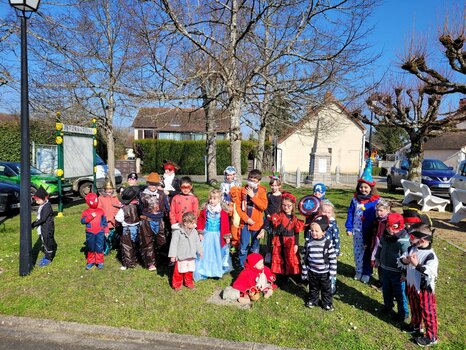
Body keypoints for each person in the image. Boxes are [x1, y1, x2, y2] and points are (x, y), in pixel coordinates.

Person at [399, 223, 439, 347]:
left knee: (428, 311)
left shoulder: (431, 256)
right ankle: (415, 325)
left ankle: (431, 336)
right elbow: (402, 259)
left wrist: (416, 264)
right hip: (411, 285)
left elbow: (429, 272)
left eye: (412, 237)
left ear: (421, 240)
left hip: (424, 289)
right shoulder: (412, 249)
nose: (410, 239)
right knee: (414, 306)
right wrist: (406, 260)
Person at [345, 159, 380, 283]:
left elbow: (381, 215)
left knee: (368, 252)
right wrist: (349, 227)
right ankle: (358, 270)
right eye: (361, 187)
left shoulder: (376, 201)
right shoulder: (355, 200)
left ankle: (367, 272)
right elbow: (350, 213)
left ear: (371, 188)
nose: (363, 190)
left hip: (370, 231)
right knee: (357, 251)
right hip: (357, 231)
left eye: (366, 187)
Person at [375, 212, 410, 323]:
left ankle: (403, 313)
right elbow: (380, 247)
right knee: (386, 290)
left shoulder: (404, 241)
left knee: (400, 293)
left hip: (398, 273)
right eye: (388, 227)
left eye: (394, 228)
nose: (390, 230)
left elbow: (408, 259)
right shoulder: (385, 236)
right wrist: (377, 258)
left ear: (401, 227)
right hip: (385, 269)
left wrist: (405, 274)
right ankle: (388, 306)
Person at [265, 192, 304, 285]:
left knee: (291, 258)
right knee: (280, 257)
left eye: (289, 206)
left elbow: (296, 232)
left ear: (293, 205)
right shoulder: (278, 216)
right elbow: (276, 229)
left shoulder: (295, 218)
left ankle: (292, 274)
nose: (286, 207)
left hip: (290, 241)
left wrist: (296, 244)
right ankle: (281, 276)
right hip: (280, 241)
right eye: (284, 205)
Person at [194, 189, 232, 281]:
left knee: (217, 253)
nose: (212, 201)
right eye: (210, 198)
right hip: (207, 234)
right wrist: (200, 233)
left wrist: (226, 236)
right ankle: (205, 270)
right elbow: (200, 221)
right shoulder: (205, 210)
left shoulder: (222, 212)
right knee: (206, 253)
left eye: (214, 199)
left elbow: (226, 225)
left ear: (219, 200)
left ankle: (216, 270)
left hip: (218, 236)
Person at [301, 215, 337, 311]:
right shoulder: (309, 243)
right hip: (312, 271)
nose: (314, 233)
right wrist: (304, 271)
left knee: (326, 289)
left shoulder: (327, 243)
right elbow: (305, 258)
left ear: (324, 232)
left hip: (324, 272)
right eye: (312, 230)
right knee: (313, 288)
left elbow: (333, 258)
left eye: (317, 231)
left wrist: (332, 272)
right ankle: (313, 300)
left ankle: (327, 303)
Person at [234, 169, 268, 269]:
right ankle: (242, 266)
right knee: (243, 247)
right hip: (245, 224)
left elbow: (263, 206)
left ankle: (254, 266)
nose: (251, 182)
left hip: (257, 224)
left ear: (259, 182)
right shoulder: (242, 190)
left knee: (255, 247)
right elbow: (238, 207)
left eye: (254, 180)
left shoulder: (261, 191)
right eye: (250, 179)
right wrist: (246, 219)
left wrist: (253, 197)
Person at [138, 172, 169, 271]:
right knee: (147, 242)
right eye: (151, 183)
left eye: (155, 184)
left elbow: (166, 207)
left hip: (160, 221)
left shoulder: (162, 194)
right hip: (147, 221)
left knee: (162, 241)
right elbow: (140, 208)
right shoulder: (142, 195)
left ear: (158, 185)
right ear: (147, 183)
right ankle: (150, 263)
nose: (153, 186)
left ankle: (163, 261)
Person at [168, 212, 203, 291]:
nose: (194, 225)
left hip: (191, 255)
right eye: (192, 223)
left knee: (189, 270)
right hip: (181, 255)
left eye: (194, 223)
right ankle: (177, 284)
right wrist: (173, 255)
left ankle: (189, 282)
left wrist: (200, 251)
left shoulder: (194, 231)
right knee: (179, 271)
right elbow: (174, 244)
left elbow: (197, 242)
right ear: (185, 223)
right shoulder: (177, 232)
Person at [81, 192, 109, 270]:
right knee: (91, 247)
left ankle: (99, 262)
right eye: (92, 201)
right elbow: (83, 221)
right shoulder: (86, 212)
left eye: (96, 200)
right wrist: (90, 217)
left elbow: (104, 221)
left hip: (100, 232)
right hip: (90, 232)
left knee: (99, 247)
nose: (94, 202)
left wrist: (106, 229)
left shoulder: (101, 211)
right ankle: (91, 261)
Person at [115, 186, 140, 270]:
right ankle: (135, 260)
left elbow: (118, 219)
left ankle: (127, 263)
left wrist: (117, 227)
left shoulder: (123, 209)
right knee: (135, 245)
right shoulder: (137, 206)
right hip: (137, 228)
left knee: (126, 247)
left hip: (127, 230)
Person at [31, 186, 57, 267]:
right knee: (44, 241)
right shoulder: (43, 204)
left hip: (47, 228)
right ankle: (46, 255)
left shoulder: (47, 206)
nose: (37, 202)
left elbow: (42, 219)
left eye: (38, 200)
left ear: (44, 199)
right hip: (43, 228)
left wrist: (33, 224)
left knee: (47, 242)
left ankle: (48, 258)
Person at [319, 201, 340, 294]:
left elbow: (336, 237)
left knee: (331, 267)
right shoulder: (318, 221)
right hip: (319, 249)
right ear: (320, 212)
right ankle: (319, 283)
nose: (326, 214)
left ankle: (332, 283)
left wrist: (336, 250)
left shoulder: (333, 223)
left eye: (328, 212)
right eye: (324, 212)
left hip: (330, 249)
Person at [219, 166, 242, 251]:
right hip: (225, 206)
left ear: (234, 175)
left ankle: (234, 243)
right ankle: (225, 242)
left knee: (234, 224)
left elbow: (239, 196)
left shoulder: (237, 184)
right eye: (227, 175)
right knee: (225, 224)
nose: (229, 177)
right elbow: (221, 196)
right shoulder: (222, 184)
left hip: (234, 207)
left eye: (231, 175)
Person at [370, 199, 391, 289]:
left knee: (385, 266)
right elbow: (372, 234)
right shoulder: (376, 221)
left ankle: (386, 284)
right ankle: (381, 281)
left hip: (386, 248)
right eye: (377, 210)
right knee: (379, 264)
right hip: (376, 246)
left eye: (381, 210)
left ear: (387, 211)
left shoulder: (388, 222)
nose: (379, 212)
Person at [97, 178, 121, 255]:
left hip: (114, 220)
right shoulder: (101, 198)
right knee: (105, 235)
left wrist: (116, 215)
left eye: (110, 189)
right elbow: (99, 209)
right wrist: (104, 218)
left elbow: (118, 207)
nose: (109, 191)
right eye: (107, 189)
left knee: (112, 235)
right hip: (105, 221)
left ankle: (112, 245)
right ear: (104, 189)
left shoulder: (115, 197)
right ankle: (106, 249)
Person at [264, 174, 282, 264]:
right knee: (269, 236)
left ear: (279, 186)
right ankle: (268, 253)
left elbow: (282, 207)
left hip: (278, 219)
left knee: (277, 237)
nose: (274, 187)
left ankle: (277, 253)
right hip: (269, 218)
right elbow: (265, 206)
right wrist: (267, 214)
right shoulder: (269, 195)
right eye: (272, 185)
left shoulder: (281, 196)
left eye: (276, 185)